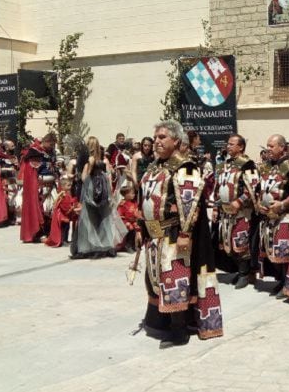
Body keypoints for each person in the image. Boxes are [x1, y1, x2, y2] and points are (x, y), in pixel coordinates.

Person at [137, 120, 223, 348]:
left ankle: (179, 330)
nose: (156, 141)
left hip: (174, 235)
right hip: (154, 235)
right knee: (157, 280)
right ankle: (163, 321)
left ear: (176, 140)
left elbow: (190, 205)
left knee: (175, 281)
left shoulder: (185, 167)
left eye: (162, 137)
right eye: (155, 137)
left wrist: (185, 233)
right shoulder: (155, 166)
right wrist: (141, 227)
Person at [255, 134, 289, 299]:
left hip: (285, 216)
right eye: (267, 146)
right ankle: (280, 281)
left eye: (271, 146)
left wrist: (282, 204)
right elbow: (260, 188)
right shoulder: (266, 165)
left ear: (281, 147)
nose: (268, 149)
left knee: (284, 252)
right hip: (268, 216)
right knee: (272, 251)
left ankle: (287, 283)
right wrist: (259, 203)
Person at [212, 134, 257, 289]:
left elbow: (253, 187)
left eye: (232, 144)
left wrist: (240, 201)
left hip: (241, 212)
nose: (228, 146)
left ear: (241, 147)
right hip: (225, 212)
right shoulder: (223, 165)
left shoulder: (247, 164)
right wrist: (216, 207)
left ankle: (245, 274)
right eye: (228, 144)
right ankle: (239, 270)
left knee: (241, 243)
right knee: (228, 243)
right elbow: (218, 188)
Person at [72, 136, 126, 258]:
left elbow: (84, 176)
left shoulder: (93, 159)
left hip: (96, 191)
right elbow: (89, 176)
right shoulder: (96, 159)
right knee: (101, 219)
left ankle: (94, 246)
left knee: (94, 219)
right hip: (99, 192)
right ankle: (99, 246)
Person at [20, 134, 57, 242]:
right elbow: (31, 173)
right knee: (40, 210)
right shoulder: (34, 152)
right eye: (51, 144)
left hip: (51, 185)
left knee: (51, 209)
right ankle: (39, 234)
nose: (52, 147)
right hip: (40, 187)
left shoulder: (52, 152)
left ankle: (49, 231)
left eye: (53, 145)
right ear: (45, 141)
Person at [44, 177, 80, 248]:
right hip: (62, 216)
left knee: (67, 228)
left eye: (70, 185)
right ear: (63, 186)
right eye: (68, 185)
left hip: (65, 215)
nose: (70, 187)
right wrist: (71, 208)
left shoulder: (67, 194)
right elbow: (64, 206)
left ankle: (65, 240)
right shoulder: (63, 195)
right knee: (64, 229)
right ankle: (63, 241)